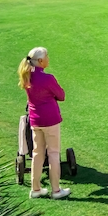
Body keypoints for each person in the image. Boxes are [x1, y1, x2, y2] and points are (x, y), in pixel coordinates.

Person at [17, 47, 71, 199]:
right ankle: (56, 190)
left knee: (37, 153)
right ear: (40, 61)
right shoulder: (48, 78)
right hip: (50, 119)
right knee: (53, 153)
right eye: (47, 56)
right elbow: (61, 95)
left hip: (36, 120)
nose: (48, 59)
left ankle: (36, 189)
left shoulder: (27, 76)